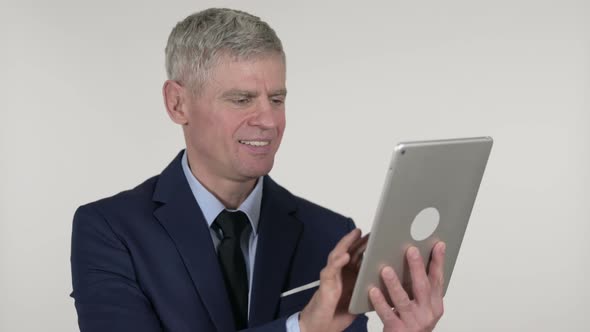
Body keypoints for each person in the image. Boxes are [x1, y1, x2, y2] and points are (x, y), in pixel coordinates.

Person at [70, 8, 446, 332]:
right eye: (241, 99)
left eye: (277, 99)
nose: (269, 120)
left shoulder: (332, 236)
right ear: (177, 103)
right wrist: (301, 327)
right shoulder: (110, 230)